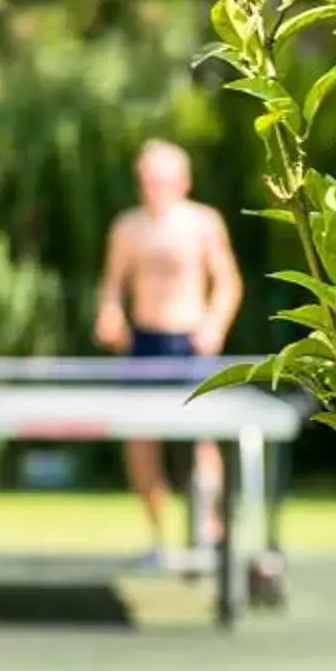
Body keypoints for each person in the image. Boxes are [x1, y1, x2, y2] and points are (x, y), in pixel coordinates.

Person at [92, 139, 243, 566]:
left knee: (202, 440)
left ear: (182, 181)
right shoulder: (127, 227)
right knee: (140, 442)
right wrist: (109, 316)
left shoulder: (203, 223)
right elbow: (111, 286)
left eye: (158, 179)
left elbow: (228, 283)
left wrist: (214, 324)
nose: (150, 186)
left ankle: (207, 531)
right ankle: (158, 537)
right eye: (145, 179)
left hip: (190, 342)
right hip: (144, 343)